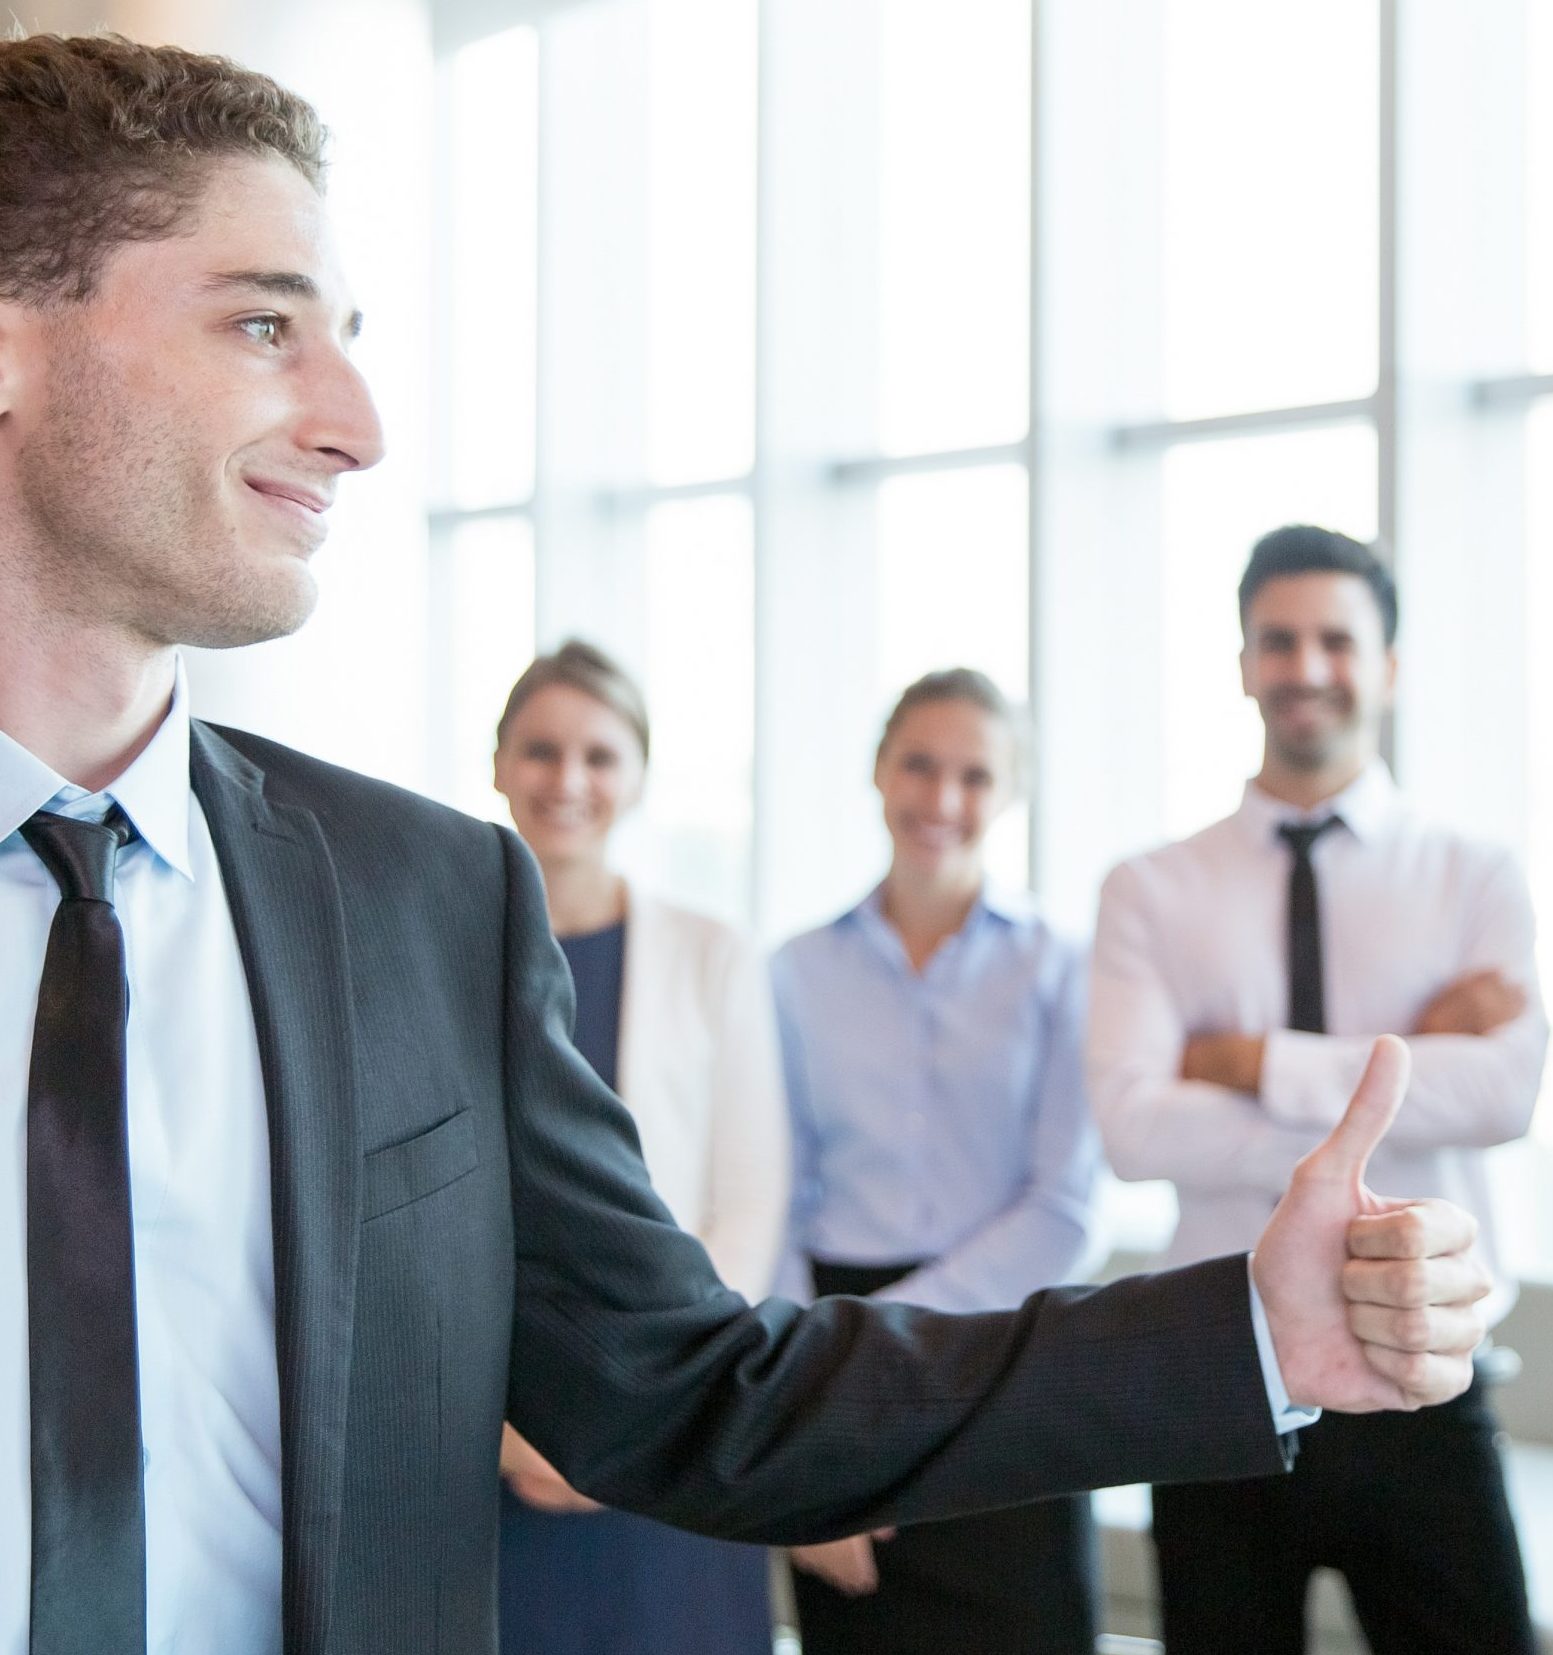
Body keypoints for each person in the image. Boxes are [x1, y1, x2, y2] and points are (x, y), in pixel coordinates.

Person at [0, 35, 1491, 1655]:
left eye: (348, 339)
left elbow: (704, 1390)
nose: (355, 422)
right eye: (263, 323)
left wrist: (1250, 1333)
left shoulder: (415, 901)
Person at [1089, 523, 1547, 1655]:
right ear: (1242, 662)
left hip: (1426, 1363)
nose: (1305, 666)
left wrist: (1249, 1060)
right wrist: (1403, 1052)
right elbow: (1135, 1128)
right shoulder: (1149, 887)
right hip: (1219, 1373)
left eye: (1334, 639)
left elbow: (1500, 1095)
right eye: (1276, 640)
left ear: (1384, 664)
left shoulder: (1473, 872)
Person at [770, 668, 1102, 1654]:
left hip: (1010, 1348)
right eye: (918, 763)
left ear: (1008, 794)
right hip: (834, 1358)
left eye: (974, 774)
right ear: (878, 769)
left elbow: (1065, 1205)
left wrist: (885, 1331)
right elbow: (775, 1199)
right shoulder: (793, 970)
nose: (941, 799)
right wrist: (800, 1394)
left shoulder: (1061, 968)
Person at [490, 639, 788, 1655]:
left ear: (639, 775)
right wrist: (507, 1425)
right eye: (539, 749)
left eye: (599, 755)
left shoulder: (712, 951)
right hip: (489, 1439)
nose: (568, 780)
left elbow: (747, 1198)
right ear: (497, 764)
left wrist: (632, 1411)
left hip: (673, 1426)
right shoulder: (437, 938)